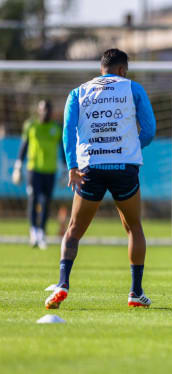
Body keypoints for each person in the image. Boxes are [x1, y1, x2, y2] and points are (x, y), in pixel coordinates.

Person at [44, 48, 156, 309]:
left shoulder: (79, 92)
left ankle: (62, 283)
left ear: (101, 68)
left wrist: (72, 166)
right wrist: (133, 146)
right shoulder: (133, 88)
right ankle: (135, 292)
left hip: (90, 168)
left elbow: (68, 131)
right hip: (124, 168)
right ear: (122, 70)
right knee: (134, 228)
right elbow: (149, 130)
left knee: (73, 231)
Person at [12, 99, 64, 249]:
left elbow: (62, 150)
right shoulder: (30, 126)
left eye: (48, 110)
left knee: (46, 201)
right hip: (33, 170)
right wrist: (18, 166)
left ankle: (41, 232)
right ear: (38, 110)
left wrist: (65, 170)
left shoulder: (56, 128)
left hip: (50, 170)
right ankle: (33, 231)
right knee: (33, 199)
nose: (45, 112)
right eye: (43, 109)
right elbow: (24, 146)